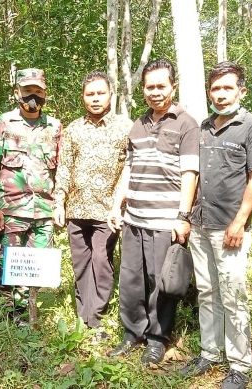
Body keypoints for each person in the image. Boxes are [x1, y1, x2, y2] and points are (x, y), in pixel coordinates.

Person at [176, 61, 252, 389]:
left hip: (229, 228)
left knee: (233, 294)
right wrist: (186, 216)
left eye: (227, 88)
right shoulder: (203, 127)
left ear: (241, 91)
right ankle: (210, 352)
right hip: (201, 225)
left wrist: (240, 222)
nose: (221, 95)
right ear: (209, 93)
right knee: (207, 291)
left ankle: (240, 365)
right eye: (215, 89)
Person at [106, 58, 199, 366]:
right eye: (149, 86)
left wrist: (182, 216)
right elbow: (129, 169)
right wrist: (117, 204)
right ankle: (132, 334)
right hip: (134, 218)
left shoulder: (187, 124)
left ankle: (157, 339)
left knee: (161, 282)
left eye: (161, 85)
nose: (155, 92)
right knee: (131, 280)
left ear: (173, 86)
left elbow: (190, 174)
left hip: (165, 220)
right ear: (142, 89)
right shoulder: (139, 123)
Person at [52, 71, 132, 338]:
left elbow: (129, 168)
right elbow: (64, 167)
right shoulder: (74, 128)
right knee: (81, 262)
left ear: (111, 94)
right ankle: (82, 314)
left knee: (101, 259)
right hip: (76, 209)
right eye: (90, 94)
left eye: (100, 93)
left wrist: (119, 204)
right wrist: (59, 202)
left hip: (106, 211)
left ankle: (96, 315)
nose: (95, 99)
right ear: (83, 98)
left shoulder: (125, 127)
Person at [0, 68, 63, 314]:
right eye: (28, 90)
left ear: (45, 94)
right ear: (17, 92)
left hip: (44, 212)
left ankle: (28, 315)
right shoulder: (2, 124)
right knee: (6, 266)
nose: (33, 96)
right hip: (10, 211)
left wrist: (59, 203)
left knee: (37, 268)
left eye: (38, 91)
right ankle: (3, 317)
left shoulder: (55, 126)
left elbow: (62, 169)